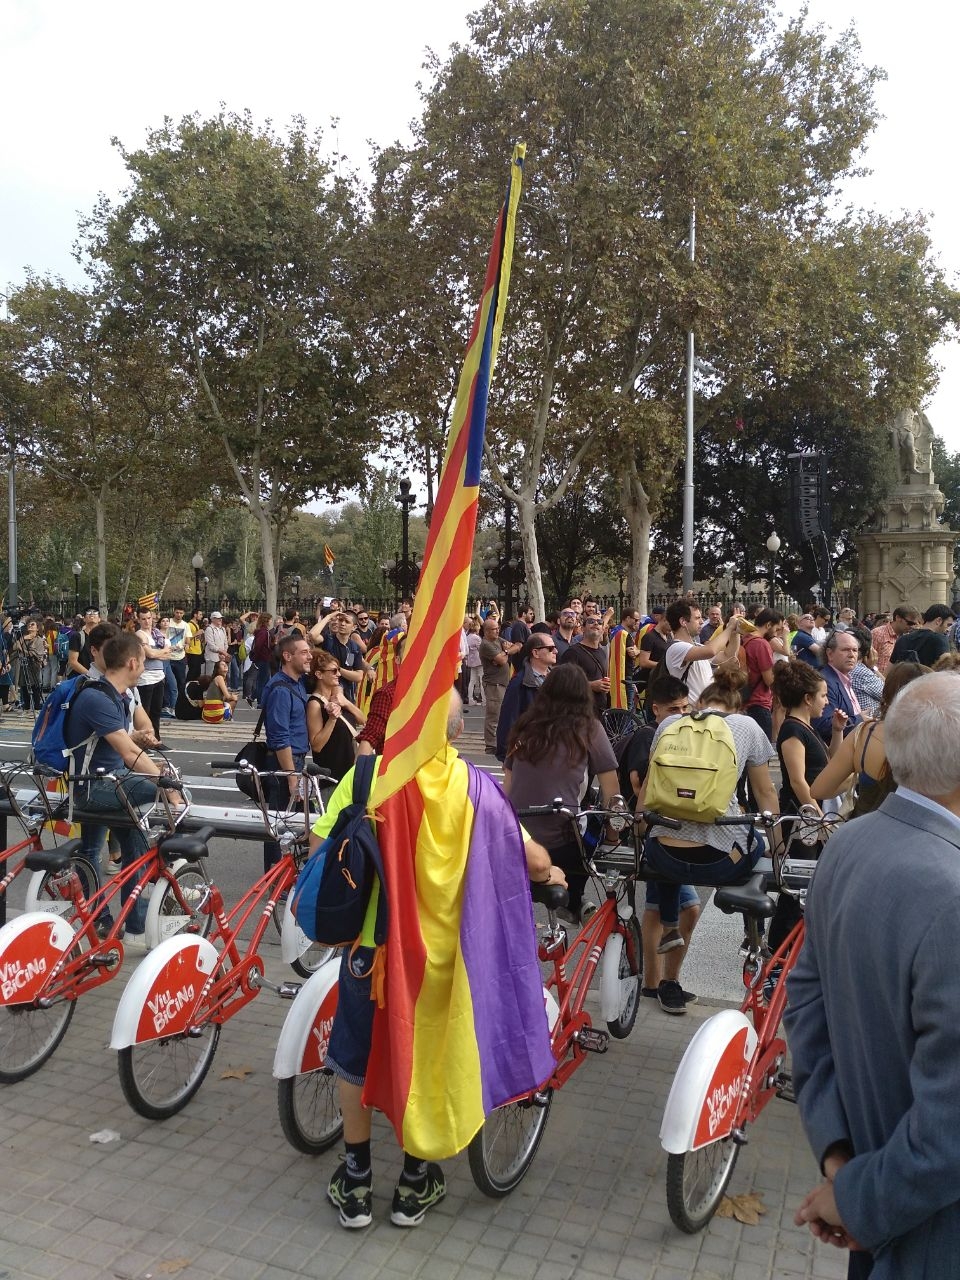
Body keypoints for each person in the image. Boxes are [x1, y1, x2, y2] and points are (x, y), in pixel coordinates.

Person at [318, 689, 562, 1230]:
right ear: (455, 732)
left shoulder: (370, 777)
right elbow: (533, 859)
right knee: (426, 1060)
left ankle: (356, 1182)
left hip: (371, 954)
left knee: (354, 1060)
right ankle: (413, 1181)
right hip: (445, 963)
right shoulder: (476, 789)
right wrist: (552, 873)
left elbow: (323, 852)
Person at [786, 671, 960, 1278]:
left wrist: (838, 1155)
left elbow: (805, 1003)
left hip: (869, 1186)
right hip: (927, 1229)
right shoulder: (951, 888)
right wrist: (859, 1198)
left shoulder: (850, 841)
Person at [637, 668, 778, 961]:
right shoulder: (746, 726)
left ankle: (670, 926)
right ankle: (754, 931)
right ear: (737, 707)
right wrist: (777, 845)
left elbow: (649, 788)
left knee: (664, 833)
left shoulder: (670, 723)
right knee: (757, 846)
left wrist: (639, 832)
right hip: (721, 862)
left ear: (699, 703)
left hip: (664, 856)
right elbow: (765, 793)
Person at [64, 631, 175, 948]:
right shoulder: (97, 696)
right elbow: (129, 754)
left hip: (107, 781)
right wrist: (166, 786)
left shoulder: (118, 693)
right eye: (143, 662)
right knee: (170, 800)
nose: (146, 667)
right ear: (132, 662)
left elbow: (131, 747)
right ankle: (109, 914)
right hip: (94, 788)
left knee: (136, 840)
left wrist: (158, 774)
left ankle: (136, 925)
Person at [503, 664, 620, 923]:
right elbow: (612, 790)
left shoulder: (524, 727)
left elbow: (507, 789)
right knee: (591, 824)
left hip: (518, 838)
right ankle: (575, 899)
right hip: (564, 842)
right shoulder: (590, 728)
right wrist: (613, 836)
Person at [623, 674, 701, 1012]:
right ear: (655, 709)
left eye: (686, 708)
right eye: (674, 709)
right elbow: (640, 786)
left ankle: (660, 984)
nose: (681, 714)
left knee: (670, 909)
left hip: (672, 832)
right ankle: (661, 985)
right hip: (657, 834)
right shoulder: (648, 735)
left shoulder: (676, 733)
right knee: (670, 910)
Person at [810, 662, 927, 818]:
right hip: (920, 835)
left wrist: (858, 774)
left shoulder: (865, 734)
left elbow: (819, 789)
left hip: (865, 831)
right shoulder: (940, 740)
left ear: (887, 692)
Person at [261, 633, 313, 872]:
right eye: (304, 652)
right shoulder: (281, 689)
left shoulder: (297, 682)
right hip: (284, 763)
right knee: (277, 822)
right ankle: (274, 877)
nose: (309, 656)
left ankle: (288, 870)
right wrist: (291, 776)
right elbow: (280, 737)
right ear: (287, 656)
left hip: (295, 760)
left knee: (299, 819)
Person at [662, 600, 741, 707]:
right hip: (692, 716)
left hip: (705, 713)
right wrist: (730, 627)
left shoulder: (697, 647)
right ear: (683, 622)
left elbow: (728, 655)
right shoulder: (676, 648)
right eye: (697, 618)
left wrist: (735, 632)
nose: (702, 622)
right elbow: (710, 651)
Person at [494, 633, 558, 760]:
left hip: (555, 753)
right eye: (550, 648)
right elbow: (508, 721)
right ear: (535, 653)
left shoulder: (558, 679)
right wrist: (507, 757)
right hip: (531, 755)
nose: (555, 651)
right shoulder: (519, 683)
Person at [306, 651, 366, 781]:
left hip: (349, 771)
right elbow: (316, 745)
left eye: (338, 670)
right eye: (333, 671)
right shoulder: (315, 704)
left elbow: (363, 720)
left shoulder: (339, 697)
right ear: (319, 674)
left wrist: (345, 702)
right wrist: (332, 719)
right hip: (331, 774)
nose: (338, 674)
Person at [811, 630, 863, 744]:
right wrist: (860, 719)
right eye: (845, 650)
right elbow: (824, 726)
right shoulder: (825, 681)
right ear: (830, 654)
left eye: (855, 650)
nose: (851, 655)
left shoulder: (843, 677)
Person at [557, 613, 610, 715]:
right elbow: (562, 684)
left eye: (599, 623)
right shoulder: (573, 652)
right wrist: (591, 685)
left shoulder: (602, 653)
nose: (595, 624)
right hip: (578, 713)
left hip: (599, 712)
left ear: (603, 630)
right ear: (583, 629)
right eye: (591, 622)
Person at [478, 615, 511, 753]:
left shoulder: (498, 640)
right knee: (494, 714)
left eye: (498, 628)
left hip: (502, 682)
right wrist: (505, 653)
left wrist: (506, 652)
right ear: (486, 631)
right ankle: (491, 745)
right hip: (493, 684)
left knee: (501, 713)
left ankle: (498, 742)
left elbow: (516, 646)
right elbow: (502, 660)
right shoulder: (486, 644)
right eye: (494, 629)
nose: (498, 631)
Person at [888, 601, 955, 667]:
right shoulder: (940, 639)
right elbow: (948, 668)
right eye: (948, 625)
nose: (949, 629)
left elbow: (888, 672)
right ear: (938, 621)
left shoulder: (902, 639)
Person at [870, 605, 918, 675]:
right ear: (898, 618)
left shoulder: (909, 637)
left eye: (914, 624)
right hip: (879, 681)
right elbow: (867, 661)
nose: (912, 627)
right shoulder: (877, 634)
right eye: (910, 623)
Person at [198, 658, 238, 723]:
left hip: (207, 716)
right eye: (222, 665)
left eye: (225, 664)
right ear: (218, 669)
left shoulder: (218, 679)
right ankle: (229, 718)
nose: (225, 665)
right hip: (216, 715)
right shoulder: (219, 678)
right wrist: (233, 696)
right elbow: (228, 696)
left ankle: (226, 716)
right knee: (233, 700)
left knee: (228, 699)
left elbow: (223, 697)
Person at [203, 610, 229, 677]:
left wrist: (223, 653)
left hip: (222, 658)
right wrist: (223, 652)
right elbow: (211, 645)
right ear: (213, 619)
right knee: (210, 677)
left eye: (220, 618)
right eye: (218, 618)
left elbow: (225, 642)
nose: (220, 619)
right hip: (212, 658)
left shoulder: (223, 629)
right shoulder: (209, 629)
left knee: (221, 677)